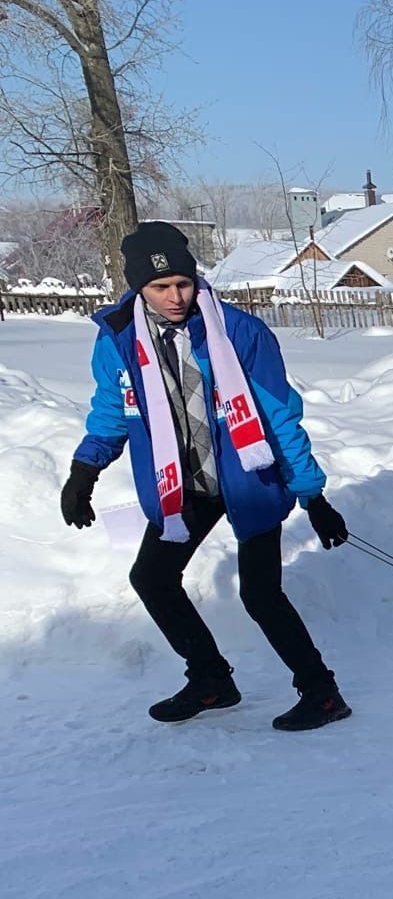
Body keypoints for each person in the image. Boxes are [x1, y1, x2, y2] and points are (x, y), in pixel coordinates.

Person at [59, 222, 352, 730]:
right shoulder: (119, 340)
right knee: (151, 577)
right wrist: (84, 469)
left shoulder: (238, 333)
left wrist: (312, 495)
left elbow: (279, 415)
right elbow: (113, 408)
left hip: (247, 479)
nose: (175, 297)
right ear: (136, 288)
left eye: (183, 283)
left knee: (259, 595)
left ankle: (323, 694)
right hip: (182, 484)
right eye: (160, 287)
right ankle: (211, 679)